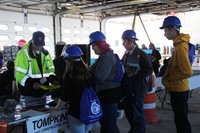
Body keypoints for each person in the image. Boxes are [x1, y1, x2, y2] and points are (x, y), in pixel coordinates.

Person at [49, 45, 94, 133]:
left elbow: (65, 96)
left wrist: (56, 109)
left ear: (68, 60)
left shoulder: (70, 75)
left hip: (76, 113)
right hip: (89, 111)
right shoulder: (88, 73)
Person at [160, 16, 193, 133]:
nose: (164, 34)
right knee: (180, 119)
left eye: (165, 31)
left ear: (172, 30)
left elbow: (187, 71)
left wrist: (170, 78)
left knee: (181, 120)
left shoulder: (180, 47)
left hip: (179, 89)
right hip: (177, 88)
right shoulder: (178, 45)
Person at [121, 29, 153, 133]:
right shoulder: (126, 54)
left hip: (138, 89)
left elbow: (149, 69)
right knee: (129, 112)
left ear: (130, 41)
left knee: (137, 113)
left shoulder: (141, 54)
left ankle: (140, 130)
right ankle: (133, 129)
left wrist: (136, 75)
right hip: (128, 88)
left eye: (124, 41)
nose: (123, 44)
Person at [89, 31, 121, 133]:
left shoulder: (107, 57)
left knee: (109, 124)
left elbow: (100, 77)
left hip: (108, 95)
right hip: (106, 94)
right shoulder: (104, 56)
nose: (92, 48)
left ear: (100, 44)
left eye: (93, 45)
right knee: (105, 123)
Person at [15, 31, 59, 102]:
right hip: (28, 94)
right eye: (37, 44)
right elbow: (19, 75)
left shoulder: (46, 54)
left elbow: (51, 70)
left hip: (42, 92)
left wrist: (52, 79)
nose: (39, 47)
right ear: (32, 41)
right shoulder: (23, 53)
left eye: (41, 45)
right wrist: (31, 84)